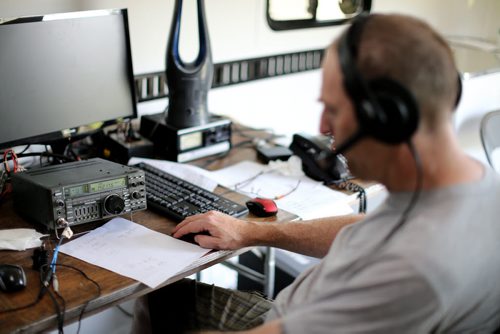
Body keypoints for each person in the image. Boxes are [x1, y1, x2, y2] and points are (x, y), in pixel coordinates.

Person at [132, 13, 500, 333]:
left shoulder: (419, 269)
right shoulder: (471, 183)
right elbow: (363, 228)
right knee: (164, 296)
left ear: (389, 119)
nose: (323, 126)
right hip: (298, 312)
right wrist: (249, 231)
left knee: (151, 299)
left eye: (333, 111)